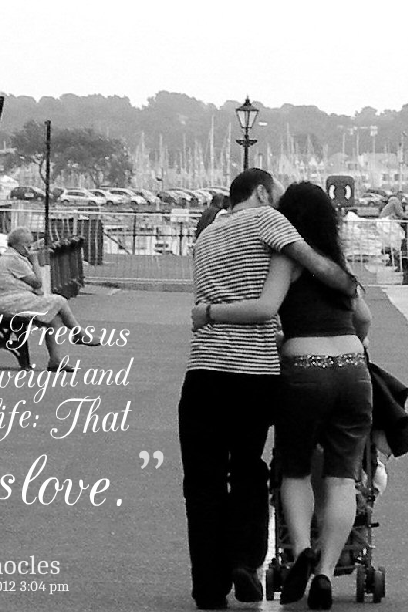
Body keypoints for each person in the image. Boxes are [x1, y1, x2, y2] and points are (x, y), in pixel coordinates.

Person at [178, 169, 358, 611]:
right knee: (247, 469)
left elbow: (210, 295)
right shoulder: (268, 220)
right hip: (253, 372)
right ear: (260, 192)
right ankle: (244, 560)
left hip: (203, 370)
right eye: (274, 195)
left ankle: (208, 588)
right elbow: (313, 265)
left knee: (201, 481)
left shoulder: (206, 234)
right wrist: (346, 282)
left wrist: (208, 313)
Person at [0, 227, 100, 372]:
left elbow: (36, 287)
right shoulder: (14, 259)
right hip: (13, 303)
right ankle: (79, 333)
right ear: (19, 245)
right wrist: (35, 261)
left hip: (18, 301)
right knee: (59, 300)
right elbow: (37, 283)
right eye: (28, 246)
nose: (30, 249)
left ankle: (55, 360)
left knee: (54, 320)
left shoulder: (13, 257)